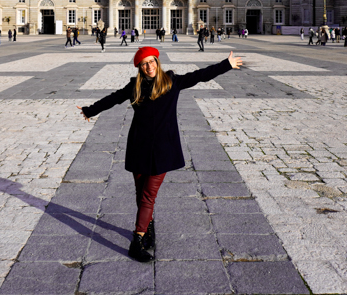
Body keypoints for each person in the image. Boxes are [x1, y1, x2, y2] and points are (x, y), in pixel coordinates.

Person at [77, 47, 243, 261]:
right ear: (140, 67)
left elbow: (200, 76)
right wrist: (90, 110)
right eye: (144, 64)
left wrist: (226, 65)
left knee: (148, 195)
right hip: (138, 146)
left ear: (157, 61)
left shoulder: (171, 82)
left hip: (163, 149)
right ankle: (148, 227)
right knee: (140, 192)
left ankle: (136, 241)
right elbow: (113, 98)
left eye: (152, 61)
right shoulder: (134, 87)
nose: (149, 66)